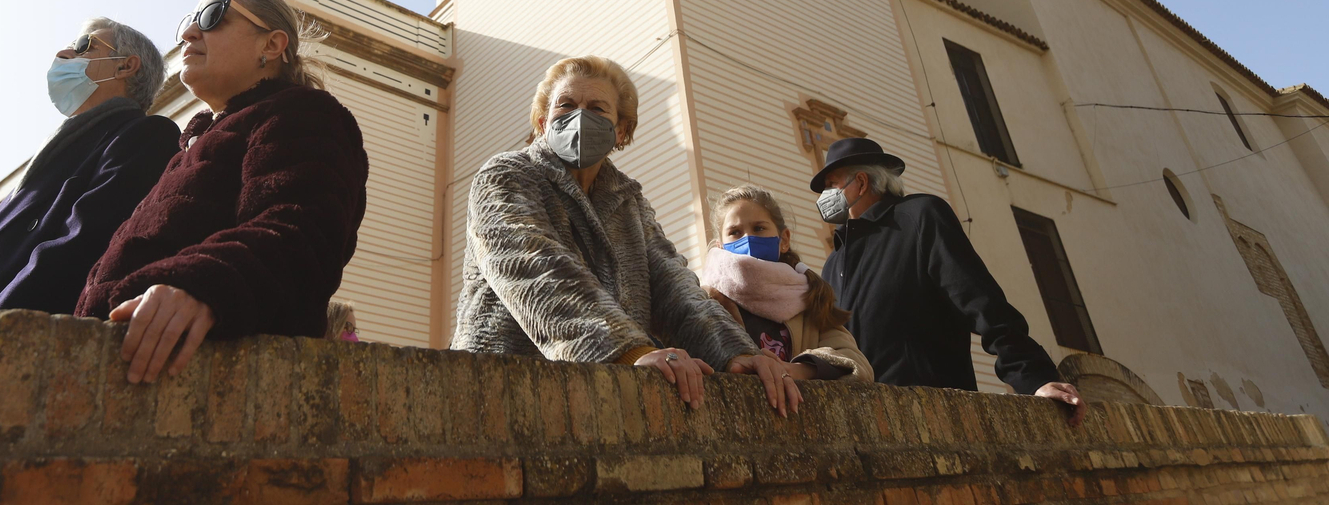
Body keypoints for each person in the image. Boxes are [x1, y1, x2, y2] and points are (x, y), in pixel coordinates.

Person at [452, 56, 803, 416]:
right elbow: (534, 269)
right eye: (566, 105)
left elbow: (674, 285)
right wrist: (629, 351)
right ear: (543, 122)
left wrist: (736, 353)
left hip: (602, 400)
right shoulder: (505, 175)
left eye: (597, 108)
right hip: (502, 391)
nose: (579, 117)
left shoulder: (628, 202)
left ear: (620, 131)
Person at [76, 0, 367, 385]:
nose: (188, 34)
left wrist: (200, 286)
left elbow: (301, 232)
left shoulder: (305, 115)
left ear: (271, 45)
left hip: (196, 381)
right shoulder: (188, 150)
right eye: (188, 22)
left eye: (213, 17)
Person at [814, 138, 1087, 425]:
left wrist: (1034, 377)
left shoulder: (919, 217)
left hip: (934, 412)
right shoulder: (834, 262)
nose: (825, 196)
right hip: (866, 419)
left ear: (861, 182)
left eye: (832, 185)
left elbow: (980, 301)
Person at [0, 19, 179, 315]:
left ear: (125, 66)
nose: (63, 53)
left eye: (83, 46)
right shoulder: (48, 159)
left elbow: (80, 247)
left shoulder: (144, 136)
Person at [702, 185, 873, 384]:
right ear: (720, 247)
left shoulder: (808, 299)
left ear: (784, 240)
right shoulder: (707, 300)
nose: (748, 239)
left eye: (759, 228)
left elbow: (857, 364)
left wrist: (799, 369)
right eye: (735, 232)